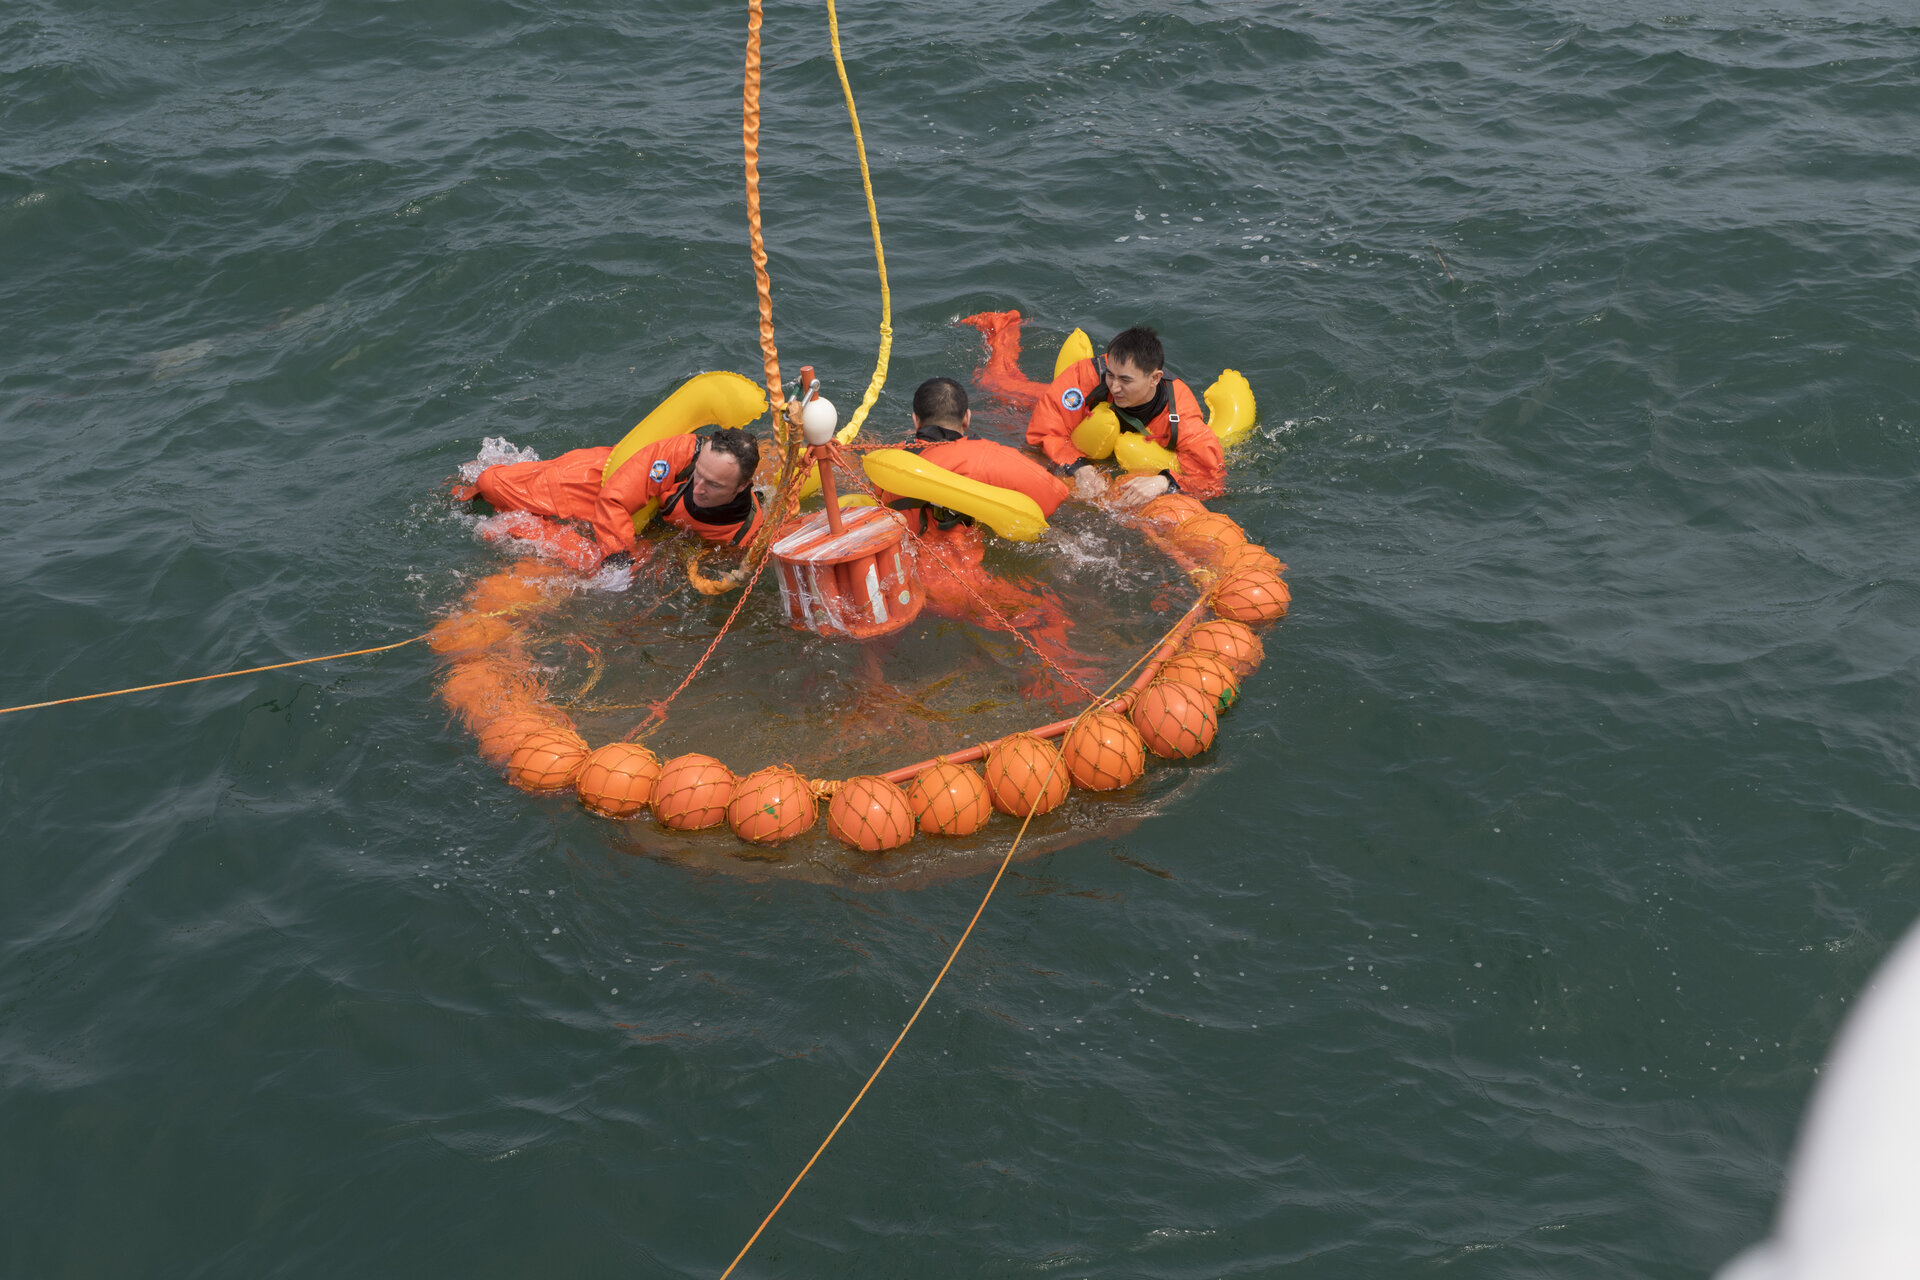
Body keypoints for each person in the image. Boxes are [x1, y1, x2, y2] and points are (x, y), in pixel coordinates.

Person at [878, 378, 1095, 701]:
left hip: (897, 587)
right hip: (957, 587)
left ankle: (876, 689)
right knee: (1046, 613)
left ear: (914, 420)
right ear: (967, 418)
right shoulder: (983, 456)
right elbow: (1054, 494)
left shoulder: (888, 461)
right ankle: (1057, 696)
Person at [457, 428, 763, 573]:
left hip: (654, 532)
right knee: (490, 485)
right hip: (605, 482)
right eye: (699, 475)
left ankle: (523, 529)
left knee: (598, 573)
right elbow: (615, 497)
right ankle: (467, 494)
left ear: (742, 487)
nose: (699, 487)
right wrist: (617, 557)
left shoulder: (741, 531)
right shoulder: (681, 453)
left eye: (714, 485)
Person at [1026, 325, 1225, 504]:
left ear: (1155, 379)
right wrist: (1079, 467)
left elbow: (1211, 481)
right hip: (1079, 433)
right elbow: (1042, 433)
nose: (1114, 387)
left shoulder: (1181, 417)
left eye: (1125, 380)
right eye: (1110, 375)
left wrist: (1163, 481)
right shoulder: (1083, 378)